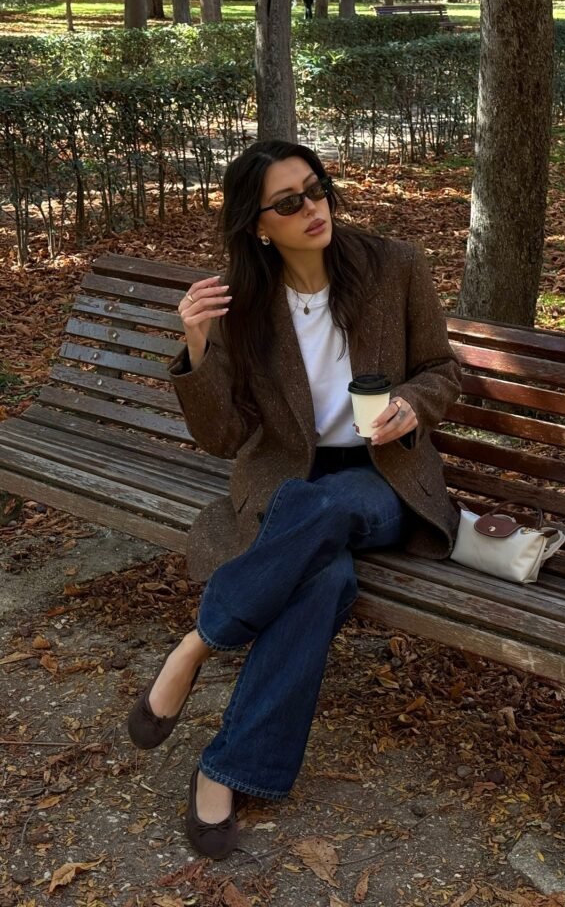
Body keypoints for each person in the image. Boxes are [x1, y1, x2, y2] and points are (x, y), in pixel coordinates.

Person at [127, 139, 462, 860]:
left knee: (328, 510)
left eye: (315, 189)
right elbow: (222, 438)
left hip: (384, 480)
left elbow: (441, 369)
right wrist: (196, 345)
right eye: (288, 202)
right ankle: (225, 772)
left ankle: (197, 643)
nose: (312, 208)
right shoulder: (244, 307)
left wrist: (410, 401)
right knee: (325, 578)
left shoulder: (392, 266)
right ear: (258, 224)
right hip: (285, 483)